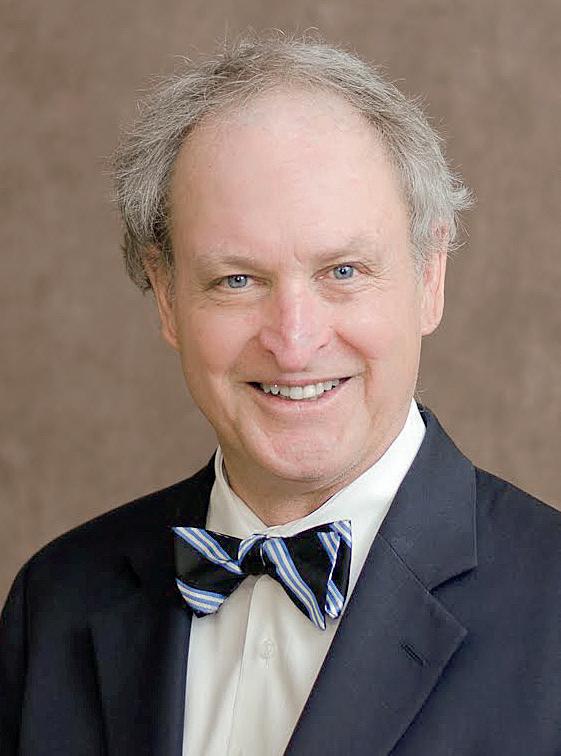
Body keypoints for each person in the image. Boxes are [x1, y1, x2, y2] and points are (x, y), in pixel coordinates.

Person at [1, 33, 560, 756]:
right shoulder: (55, 604)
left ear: (430, 277)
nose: (293, 343)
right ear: (166, 296)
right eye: (236, 280)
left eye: (343, 272)